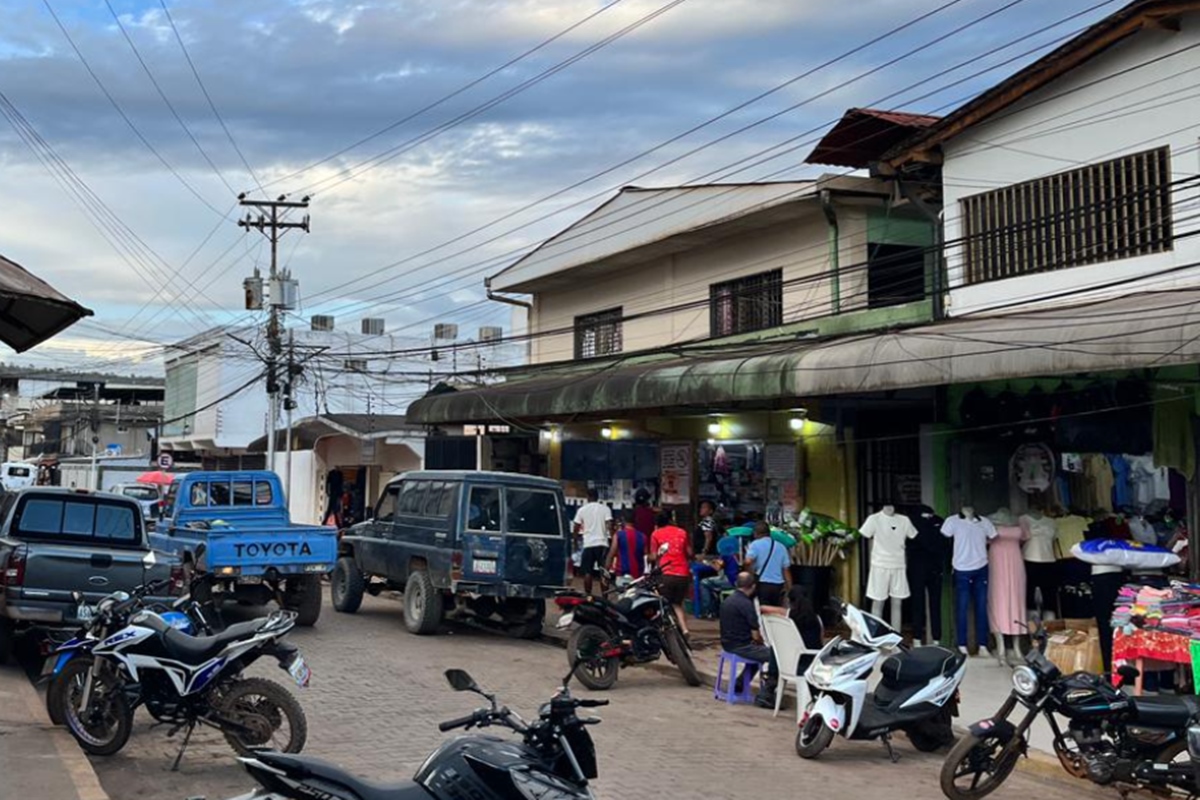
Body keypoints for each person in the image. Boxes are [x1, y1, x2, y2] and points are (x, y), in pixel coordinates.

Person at [718, 572, 777, 708]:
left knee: (758, 655)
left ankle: (740, 682)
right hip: (742, 646)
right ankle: (767, 693)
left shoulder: (728, 600)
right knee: (775, 656)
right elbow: (756, 635)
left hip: (727, 643)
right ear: (753, 586)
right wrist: (761, 643)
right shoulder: (746, 604)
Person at [649, 510, 693, 637]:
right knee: (677, 603)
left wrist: (648, 558)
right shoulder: (682, 532)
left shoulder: (656, 534)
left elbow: (653, 556)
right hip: (683, 574)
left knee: (662, 603)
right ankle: (685, 629)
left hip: (666, 574)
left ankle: (665, 633)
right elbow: (689, 553)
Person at [572, 489, 613, 595]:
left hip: (588, 544)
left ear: (588, 497)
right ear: (597, 497)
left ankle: (588, 595)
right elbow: (609, 525)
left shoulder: (582, 510)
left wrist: (575, 541)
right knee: (603, 573)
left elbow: (576, 527)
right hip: (602, 544)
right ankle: (605, 596)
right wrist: (612, 538)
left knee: (587, 572)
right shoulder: (605, 509)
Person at [744, 521, 791, 607]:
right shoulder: (781, 547)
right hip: (778, 586)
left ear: (755, 533)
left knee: (762, 610)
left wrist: (749, 574)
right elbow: (786, 570)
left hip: (762, 584)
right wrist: (789, 589)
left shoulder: (755, 544)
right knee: (775, 611)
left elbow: (748, 562)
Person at [699, 531, 742, 617]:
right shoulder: (739, 553)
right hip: (739, 580)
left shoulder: (725, 554)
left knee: (704, 582)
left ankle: (708, 610)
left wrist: (708, 563)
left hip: (730, 580)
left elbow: (717, 568)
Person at [786, 586, 824, 675]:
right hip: (814, 661)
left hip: (796, 662)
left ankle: (772, 678)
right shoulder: (817, 618)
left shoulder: (789, 618)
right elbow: (821, 639)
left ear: (789, 600)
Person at [607, 511, 646, 583]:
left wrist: (606, 571)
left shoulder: (619, 535)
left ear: (623, 520)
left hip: (622, 573)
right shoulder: (642, 536)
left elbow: (611, 554)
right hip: (638, 575)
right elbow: (646, 555)